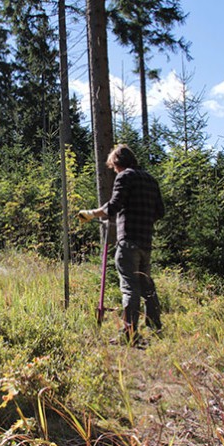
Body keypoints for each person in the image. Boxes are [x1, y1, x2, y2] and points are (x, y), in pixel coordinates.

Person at [78, 144, 165, 346]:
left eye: (114, 167)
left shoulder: (125, 176)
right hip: (146, 242)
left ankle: (129, 334)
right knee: (147, 287)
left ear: (118, 163)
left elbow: (114, 205)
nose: (115, 171)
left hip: (128, 241)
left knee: (129, 288)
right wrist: (143, 218)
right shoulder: (151, 180)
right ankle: (155, 328)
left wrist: (91, 214)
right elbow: (160, 211)